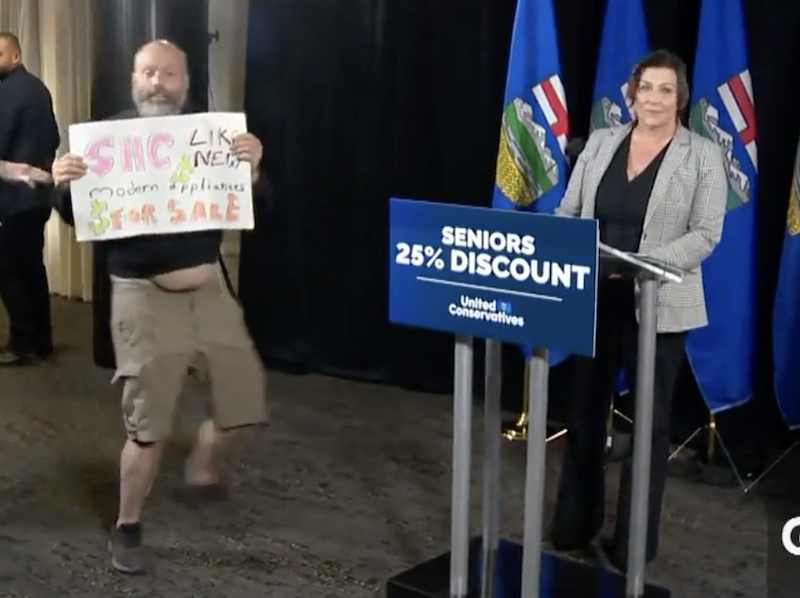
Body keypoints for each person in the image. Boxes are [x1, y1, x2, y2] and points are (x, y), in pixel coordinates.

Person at [50, 40, 270, 575]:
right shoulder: (106, 140)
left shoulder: (210, 135)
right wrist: (64, 184)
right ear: (133, 78)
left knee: (244, 402)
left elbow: (247, 197)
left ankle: (202, 459)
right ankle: (127, 525)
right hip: (141, 293)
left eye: (169, 74)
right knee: (147, 427)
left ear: (185, 83)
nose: (158, 82)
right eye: (149, 72)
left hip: (208, 288)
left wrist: (254, 166)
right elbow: (76, 216)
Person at [550, 49, 727, 571]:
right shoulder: (601, 144)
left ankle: (631, 547)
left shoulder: (702, 156)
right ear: (630, 95)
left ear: (681, 100)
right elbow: (569, 211)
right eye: (645, 88)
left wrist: (647, 262)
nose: (653, 98)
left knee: (649, 425)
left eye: (665, 90)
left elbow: (706, 234)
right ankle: (573, 526)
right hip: (594, 296)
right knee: (583, 414)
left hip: (658, 301)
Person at [0, 32, 61, 366]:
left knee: (7, 268)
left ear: (15, 55)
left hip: (11, 196)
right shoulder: (39, 88)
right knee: (32, 267)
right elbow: (54, 135)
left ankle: (22, 342)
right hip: (39, 195)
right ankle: (42, 338)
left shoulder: (6, 92)